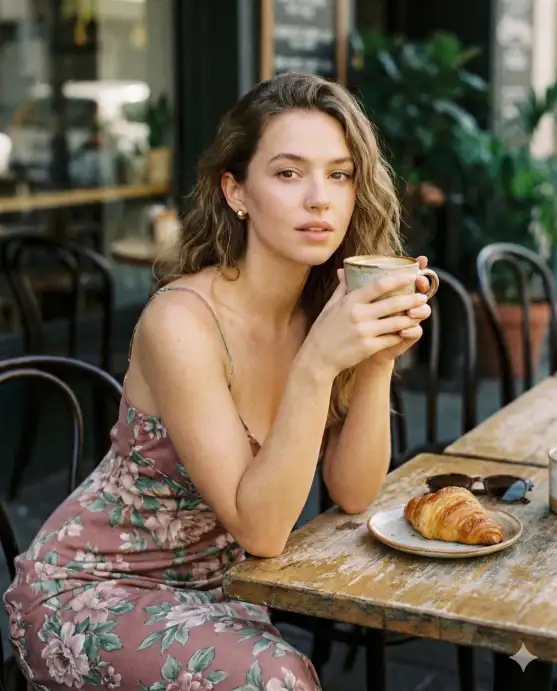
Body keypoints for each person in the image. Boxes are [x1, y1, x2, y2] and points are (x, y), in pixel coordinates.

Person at [3, 72, 432, 691]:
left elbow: (355, 492)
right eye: (288, 173)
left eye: (339, 174)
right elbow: (261, 531)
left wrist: (376, 357)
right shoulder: (181, 321)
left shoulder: (322, 311)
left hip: (223, 592)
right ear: (237, 191)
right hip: (97, 587)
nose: (320, 198)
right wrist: (316, 364)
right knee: (277, 681)